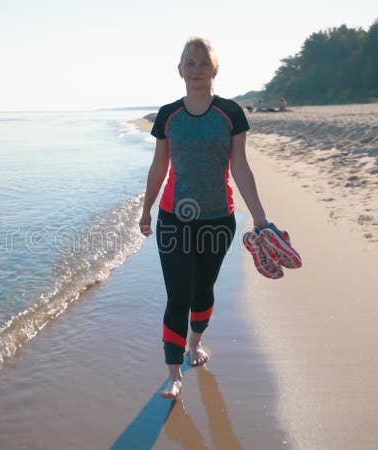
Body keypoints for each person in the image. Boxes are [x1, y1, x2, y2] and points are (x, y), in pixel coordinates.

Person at [139, 37, 271, 400]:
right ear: (179, 70)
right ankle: (172, 373)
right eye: (190, 63)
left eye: (203, 63)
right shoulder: (167, 115)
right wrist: (146, 209)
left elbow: (240, 166)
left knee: (203, 291)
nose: (196, 69)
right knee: (177, 295)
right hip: (173, 219)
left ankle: (194, 343)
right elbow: (159, 166)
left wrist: (259, 216)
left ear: (214, 69)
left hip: (217, 219)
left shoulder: (231, 113)